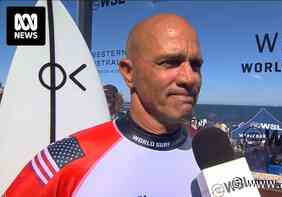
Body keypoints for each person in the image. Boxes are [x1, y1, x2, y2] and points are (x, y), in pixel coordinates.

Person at [5, 13, 203, 196]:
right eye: (170, 62)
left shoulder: (211, 155)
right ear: (128, 73)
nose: (189, 78)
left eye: (196, 65)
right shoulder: (66, 158)